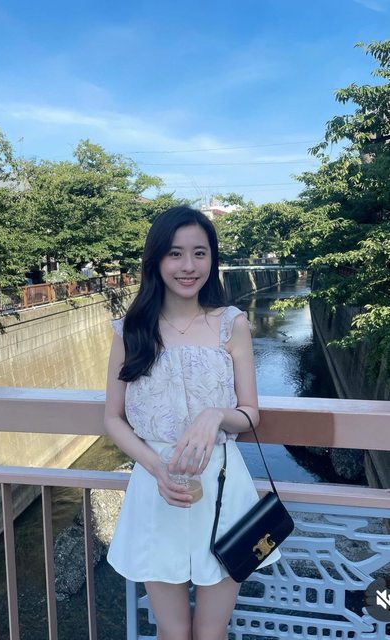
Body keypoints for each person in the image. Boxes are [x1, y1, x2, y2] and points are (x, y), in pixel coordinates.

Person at [104, 205, 280, 640]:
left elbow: (251, 412)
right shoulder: (131, 330)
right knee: (173, 630)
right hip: (157, 487)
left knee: (211, 630)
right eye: (175, 253)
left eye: (199, 253)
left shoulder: (232, 324)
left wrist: (215, 415)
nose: (188, 266)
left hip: (222, 486)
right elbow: (113, 417)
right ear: (156, 260)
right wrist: (155, 467)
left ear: (212, 259)